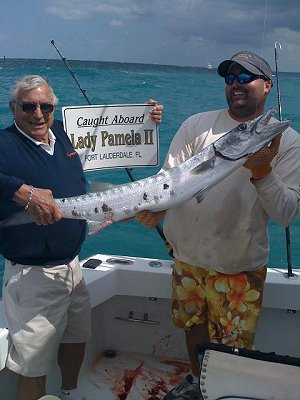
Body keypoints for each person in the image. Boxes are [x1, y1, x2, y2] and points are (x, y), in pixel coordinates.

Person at [135, 51, 300, 399]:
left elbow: (287, 214)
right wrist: (158, 209)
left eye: (246, 78)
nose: (236, 85)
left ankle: (224, 393)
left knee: (232, 348)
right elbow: (171, 180)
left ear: (267, 86)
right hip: (188, 257)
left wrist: (262, 171)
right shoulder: (197, 124)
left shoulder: (288, 142)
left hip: (238, 264)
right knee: (193, 327)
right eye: (230, 78)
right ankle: (196, 382)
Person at [0, 74, 163, 400]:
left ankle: (69, 393)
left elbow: (110, 132)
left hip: (72, 267)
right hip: (33, 275)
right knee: (34, 363)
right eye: (29, 106)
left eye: (46, 106)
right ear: (12, 107)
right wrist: (22, 192)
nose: (38, 114)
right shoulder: (5, 143)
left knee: (77, 337)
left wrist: (146, 119)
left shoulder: (61, 131)